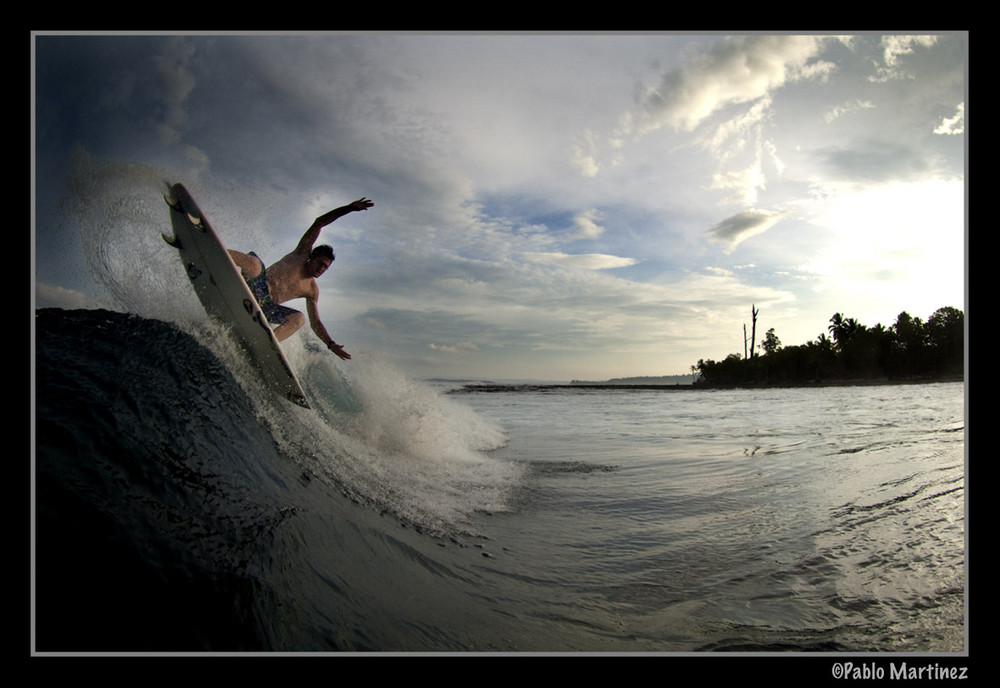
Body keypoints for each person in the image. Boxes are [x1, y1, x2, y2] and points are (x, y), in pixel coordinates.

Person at [228, 197, 373, 360]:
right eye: (320, 263)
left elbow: (315, 323)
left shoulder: (312, 290)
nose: (321, 269)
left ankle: (267, 345)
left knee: (299, 319)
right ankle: (218, 252)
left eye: (326, 267)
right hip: (254, 286)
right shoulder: (300, 255)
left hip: (266, 307)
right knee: (254, 264)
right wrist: (349, 208)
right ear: (311, 258)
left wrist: (330, 344)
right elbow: (319, 223)